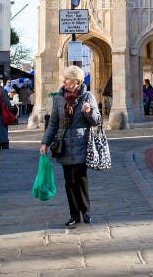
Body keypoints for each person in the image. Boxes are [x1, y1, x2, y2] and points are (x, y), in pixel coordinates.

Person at [40, 65, 102, 227]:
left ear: (76, 81)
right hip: (64, 144)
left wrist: (89, 112)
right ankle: (74, 214)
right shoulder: (59, 98)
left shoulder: (87, 96)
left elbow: (97, 120)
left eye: (67, 79)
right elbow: (53, 123)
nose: (64, 81)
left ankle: (86, 211)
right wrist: (45, 142)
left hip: (82, 143)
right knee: (69, 180)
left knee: (80, 177)